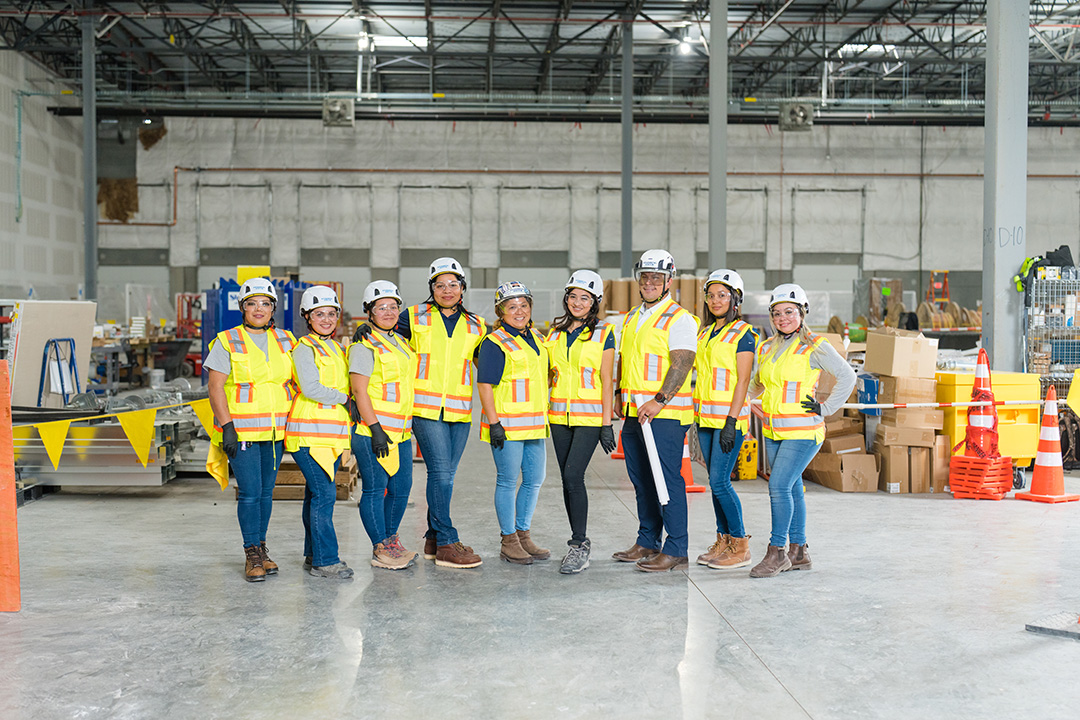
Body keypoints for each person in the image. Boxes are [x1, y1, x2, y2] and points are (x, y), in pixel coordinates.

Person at [354, 257, 485, 569]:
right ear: (432, 289)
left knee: (447, 477)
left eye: (453, 284)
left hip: (460, 410)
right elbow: (383, 331)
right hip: (425, 409)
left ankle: (432, 536)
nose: (447, 290)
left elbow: (488, 363)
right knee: (440, 473)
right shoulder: (413, 315)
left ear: (463, 287)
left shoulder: (477, 324)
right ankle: (447, 541)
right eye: (440, 285)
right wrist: (365, 326)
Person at [748, 283, 856, 578]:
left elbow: (848, 375)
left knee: (778, 487)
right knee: (792, 488)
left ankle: (777, 552)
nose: (783, 318)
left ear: (802, 313)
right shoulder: (767, 347)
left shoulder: (815, 346)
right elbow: (759, 383)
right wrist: (746, 398)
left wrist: (827, 407)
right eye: (777, 313)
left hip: (803, 431)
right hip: (773, 430)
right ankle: (799, 552)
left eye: (789, 312)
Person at [612, 250, 700, 573]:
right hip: (636, 413)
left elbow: (683, 362)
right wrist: (621, 398)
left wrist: (659, 400)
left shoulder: (679, 318)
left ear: (669, 281)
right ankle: (647, 539)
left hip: (665, 414)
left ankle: (676, 546)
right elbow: (626, 360)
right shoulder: (633, 316)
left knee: (666, 481)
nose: (649, 282)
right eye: (645, 277)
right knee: (642, 480)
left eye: (656, 278)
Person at [205, 278, 297, 582]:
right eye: (252, 303)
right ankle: (251, 553)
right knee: (249, 493)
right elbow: (215, 386)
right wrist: (227, 426)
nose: (259, 309)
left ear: (273, 308)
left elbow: (308, 370)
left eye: (266, 303)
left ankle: (261, 546)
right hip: (242, 432)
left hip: (275, 432)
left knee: (266, 493)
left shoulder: (287, 340)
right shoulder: (227, 340)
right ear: (243, 307)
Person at [543, 270, 617, 574]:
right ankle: (577, 540)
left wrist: (606, 423)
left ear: (595, 301)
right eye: (572, 296)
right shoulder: (554, 332)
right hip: (558, 416)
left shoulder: (604, 333)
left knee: (574, 476)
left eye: (584, 297)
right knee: (567, 479)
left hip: (588, 418)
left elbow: (605, 379)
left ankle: (579, 544)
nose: (577, 302)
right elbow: (547, 372)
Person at [477, 281, 550, 565]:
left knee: (534, 480)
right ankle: (509, 540)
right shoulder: (494, 342)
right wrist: (494, 422)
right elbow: (485, 385)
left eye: (524, 305)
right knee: (508, 481)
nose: (519, 311)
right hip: (506, 424)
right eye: (511, 307)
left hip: (533, 423)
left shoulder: (538, 338)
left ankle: (523, 534)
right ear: (500, 311)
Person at [350, 281, 419, 571]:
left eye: (393, 306)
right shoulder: (363, 346)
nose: (389, 312)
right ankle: (380, 546)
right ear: (369, 312)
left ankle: (391, 539)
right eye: (381, 308)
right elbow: (359, 391)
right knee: (376, 489)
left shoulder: (402, 343)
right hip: (373, 433)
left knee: (402, 487)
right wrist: (375, 427)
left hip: (401, 432)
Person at [285, 285, 354, 580]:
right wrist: (346, 398)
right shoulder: (305, 348)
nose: (326, 319)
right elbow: (311, 388)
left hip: (328, 436)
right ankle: (326, 561)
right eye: (318, 314)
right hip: (308, 434)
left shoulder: (337, 348)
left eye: (330, 313)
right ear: (307, 317)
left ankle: (313, 554)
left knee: (315, 495)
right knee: (325, 495)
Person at [693, 269, 758, 570]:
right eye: (711, 294)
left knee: (720, 482)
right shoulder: (704, 333)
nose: (715, 300)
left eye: (722, 294)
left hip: (727, 422)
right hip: (705, 419)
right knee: (713, 482)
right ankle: (724, 541)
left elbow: (743, 380)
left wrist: (731, 422)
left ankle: (741, 545)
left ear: (735, 299)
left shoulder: (744, 333)